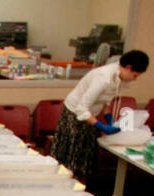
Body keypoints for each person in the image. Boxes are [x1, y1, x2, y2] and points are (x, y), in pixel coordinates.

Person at [52, 49, 149, 184]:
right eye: (135, 75)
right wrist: (100, 125)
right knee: (73, 159)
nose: (135, 79)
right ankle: (68, 190)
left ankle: (82, 189)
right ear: (128, 67)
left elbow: (104, 100)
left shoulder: (119, 78)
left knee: (85, 159)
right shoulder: (103, 78)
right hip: (74, 114)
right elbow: (81, 108)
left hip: (90, 115)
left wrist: (109, 117)